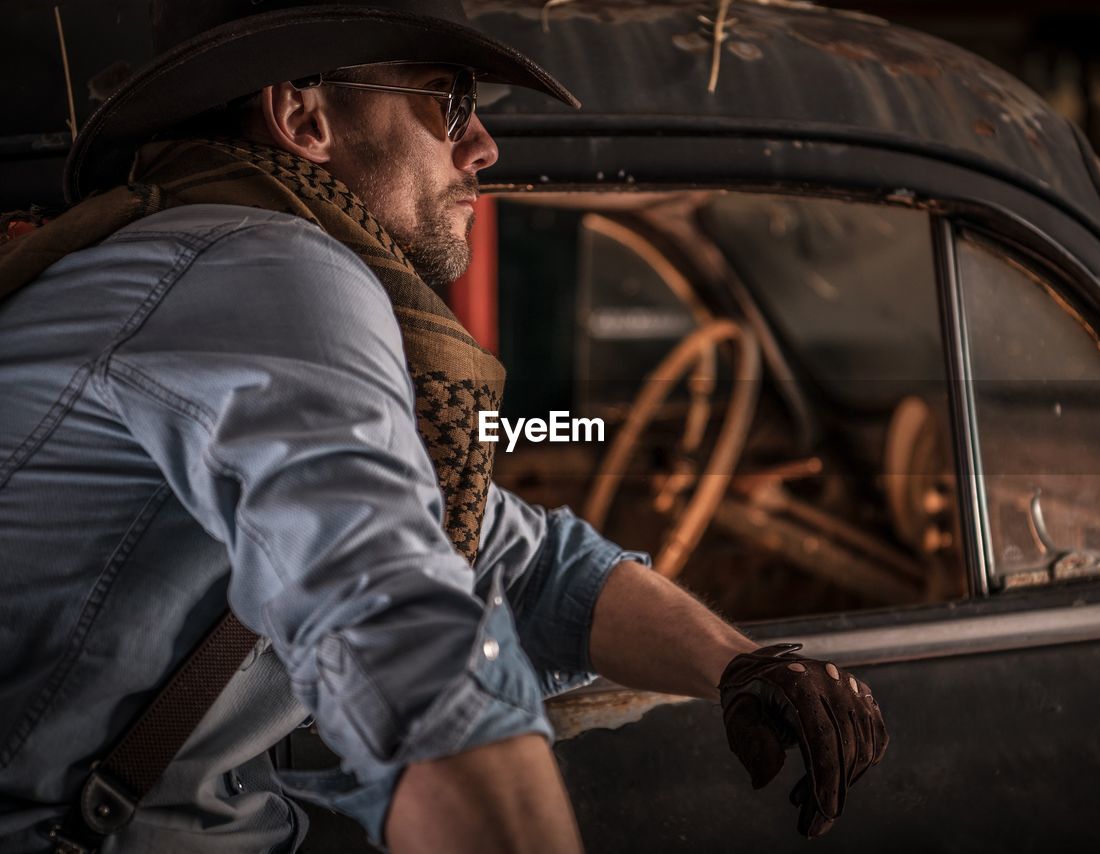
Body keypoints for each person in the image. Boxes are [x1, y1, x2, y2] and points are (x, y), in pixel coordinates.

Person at [0, 2, 887, 852]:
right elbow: (398, 628)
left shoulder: (225, 262)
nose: (483, 146)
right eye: (448, 102)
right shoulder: (270, 267)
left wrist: (740, 666)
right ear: (303, 115)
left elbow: (524, 561)